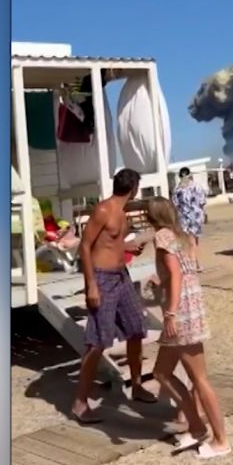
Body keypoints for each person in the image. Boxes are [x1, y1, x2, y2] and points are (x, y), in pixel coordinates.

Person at [146, 197, 231, 459]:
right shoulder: (183, 236)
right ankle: (196, 427)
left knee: (199, 379)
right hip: (191, 307)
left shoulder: (161, 236)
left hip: (181, 313)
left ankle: (221, 440)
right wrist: (159, 281)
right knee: (161, 372)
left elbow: (177, 273)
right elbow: (184, 270)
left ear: (152, 216)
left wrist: (169, 313)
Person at [71, 169, 156, 424]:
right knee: (97, 342)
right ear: (135, 188)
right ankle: (80, 402)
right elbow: (85, 246)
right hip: (103, 279)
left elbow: (111, 243)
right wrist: (91, 285)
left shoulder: (121, 212)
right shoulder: (104, 210)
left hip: (122, 277)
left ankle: (137, 386)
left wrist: (130, 247)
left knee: (136, 330)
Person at [171, 166, 207, 271]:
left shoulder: (177, 189)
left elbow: (174, 205)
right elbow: (202, 202)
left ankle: (196, 264)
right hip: (195, 217)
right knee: (194, 243)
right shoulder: (196, 186)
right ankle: (193, 265)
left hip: (183, 218)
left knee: (191, 243)